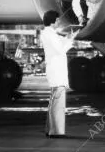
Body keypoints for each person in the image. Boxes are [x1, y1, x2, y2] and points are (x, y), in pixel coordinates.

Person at [41, 10, 78, 138]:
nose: (58, 22)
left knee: (54, 101)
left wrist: (68, 38)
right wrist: (70, 41)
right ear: (52, 21)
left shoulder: (49, 33)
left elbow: (59, 42)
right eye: (57, 20)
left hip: (54, 70)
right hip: (57, 72)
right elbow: (60, 50)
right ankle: (56, 132)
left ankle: (50, 129)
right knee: (58, 103)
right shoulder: (50, 35)